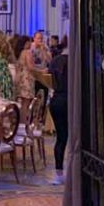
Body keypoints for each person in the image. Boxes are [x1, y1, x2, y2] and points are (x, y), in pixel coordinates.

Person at [48, 43, 69, 186]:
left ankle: (59, 173)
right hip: (70, 100)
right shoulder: (76, 61)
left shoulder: (55, 60)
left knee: (60, 138)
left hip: (56, 101)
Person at [31, 30, 52, 99]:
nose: (40, 40)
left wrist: (43, 50)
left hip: (43, 74)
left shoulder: (45, 47)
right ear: (34, 38)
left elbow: (50, 61)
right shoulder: (31, 47)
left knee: (44, 93)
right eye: (38, 38)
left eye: (41, 38)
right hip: (34, 74)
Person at [13, 35, 36, 102]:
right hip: (27, 79)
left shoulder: (18, 53)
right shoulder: (27, 52)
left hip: (19, 78)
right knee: (26, 103)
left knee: (20, 103)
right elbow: (30, 67)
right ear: (27, 43)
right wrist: (41, 70)